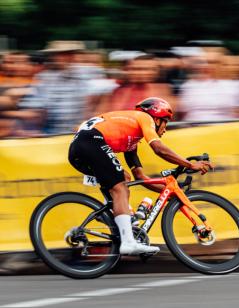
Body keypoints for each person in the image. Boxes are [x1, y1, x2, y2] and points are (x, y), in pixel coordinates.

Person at [68, 97, 212, 255]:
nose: (165, 129)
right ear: (157, 119)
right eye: (166, 123)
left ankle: (109, 217)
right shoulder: (145, 118)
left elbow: (140, 177)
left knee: (124, 177)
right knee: (120, 189)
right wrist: (190, 164)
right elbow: (159, 149)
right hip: (91, 141)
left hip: (79, 148)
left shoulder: (132, 140)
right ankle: (128, 242)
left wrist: (169, 192)